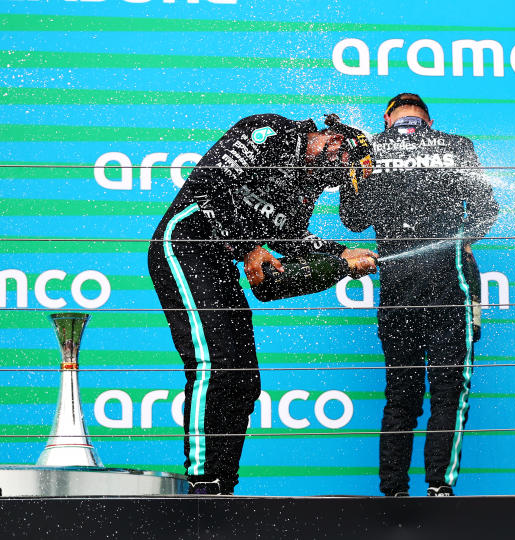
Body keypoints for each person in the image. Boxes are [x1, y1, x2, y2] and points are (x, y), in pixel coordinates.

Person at [148, 113, 377, 495]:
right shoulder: (271, 131)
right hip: (184, 244)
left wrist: (342, 261)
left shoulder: (305, 192)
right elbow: (210, 183)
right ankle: (202, 483)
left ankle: (223, 485)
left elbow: (278, 271)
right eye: (339, 172)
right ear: (334, 140)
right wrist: (250, 247)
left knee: (244, 380)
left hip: (220, 263)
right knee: (215, 364)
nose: (333, 183)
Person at [339, 93, 499, 496]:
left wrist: (357, 170)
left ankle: (393, 493)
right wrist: (463, 239)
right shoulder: (457, 145)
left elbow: (353, 220)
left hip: (398, 288)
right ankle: (439, 490)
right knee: (449, 391)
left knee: (401, 394)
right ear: (428, 118)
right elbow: (486, 210)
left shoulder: (368, 148)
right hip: (452, 283)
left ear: (388, 116)